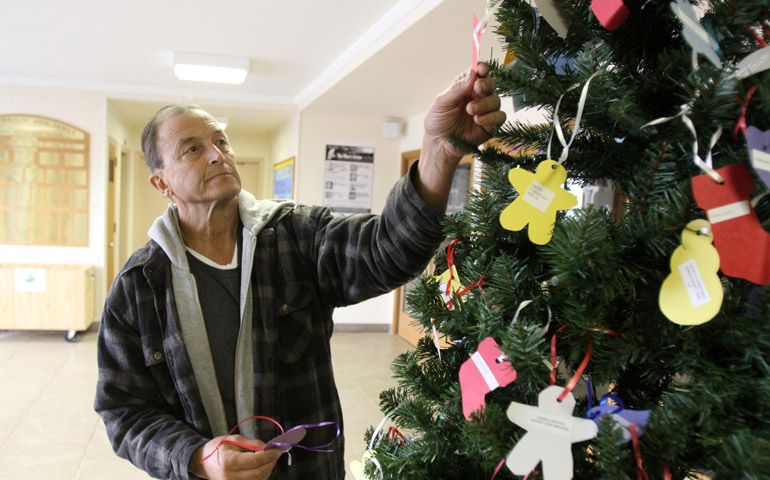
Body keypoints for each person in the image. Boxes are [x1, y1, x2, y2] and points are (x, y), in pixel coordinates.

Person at [94, 62, 505, 480]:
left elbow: (388, 249)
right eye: (193, 148)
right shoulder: (137, 287)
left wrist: (439, 150)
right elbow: (122, 411)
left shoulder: (296, 235)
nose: (218, 153)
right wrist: (195, 457)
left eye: (221, 141)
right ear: (162, 184)